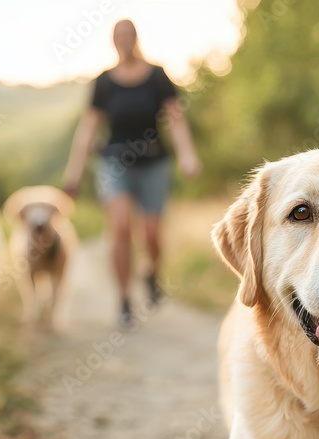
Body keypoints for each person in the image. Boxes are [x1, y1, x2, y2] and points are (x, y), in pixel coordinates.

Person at [63, 19, 201, 328]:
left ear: (136, 38)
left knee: (151, 233)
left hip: (154, 162)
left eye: (129, 35)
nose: (124, 40)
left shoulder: (156, 76)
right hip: (115, 163)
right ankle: (124, 299)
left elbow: (176, 119)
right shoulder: (105, 82)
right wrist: (73, 174)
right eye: (118, 36)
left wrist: (188, 155)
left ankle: (151, 271)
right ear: (113, 41)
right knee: (121, 227)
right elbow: (88, 129)